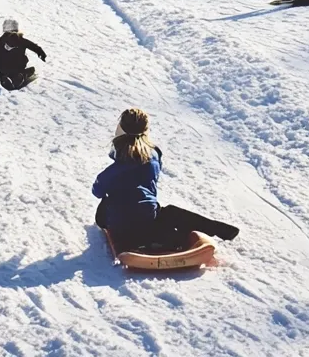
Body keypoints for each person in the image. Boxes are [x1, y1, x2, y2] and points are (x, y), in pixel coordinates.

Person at [92, 109, 238, 255]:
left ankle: (144, 242)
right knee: (169, 213)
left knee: (105, 212)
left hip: (120, 223)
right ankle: (209, 228)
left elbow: (97, 191)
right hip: (148, 214)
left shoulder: (112, 171)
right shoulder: (154, 157)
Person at [0, 19, 46, 91]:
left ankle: (8, 78)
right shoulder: (21, 40)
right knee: (24, 72)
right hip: (18, 67)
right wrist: (41, 53)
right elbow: (34, 46)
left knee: (6, 74)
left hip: (3, 70)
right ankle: (22, 75)